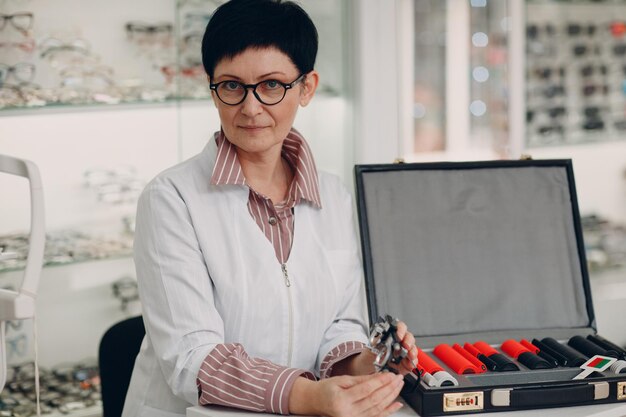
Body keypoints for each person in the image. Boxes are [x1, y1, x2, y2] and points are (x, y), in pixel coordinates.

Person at [122, 1, 418, 416]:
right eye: (231, 85)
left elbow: (341, 324)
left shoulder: (334, 198)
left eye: (272, 85)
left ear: (307, 87)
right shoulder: (171, 199)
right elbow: (191, 357)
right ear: (211, 87)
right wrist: (309, 397)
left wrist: (369, 363)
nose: (250, 107)